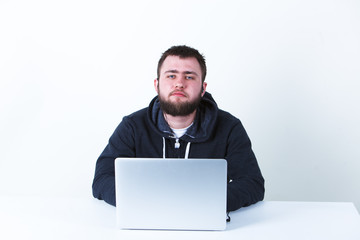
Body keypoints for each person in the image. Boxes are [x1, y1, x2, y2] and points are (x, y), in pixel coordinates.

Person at [92, 45, 264, 212]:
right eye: (171, 76)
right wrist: (149, 203)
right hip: (147, 221)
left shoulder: (229, 127)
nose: (179, 84)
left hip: (205, 222)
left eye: (189, 77)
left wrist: (201, 204)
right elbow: (102, 179)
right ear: (156, 84)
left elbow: (252, 183)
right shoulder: (132, 126)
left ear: (203, 89)